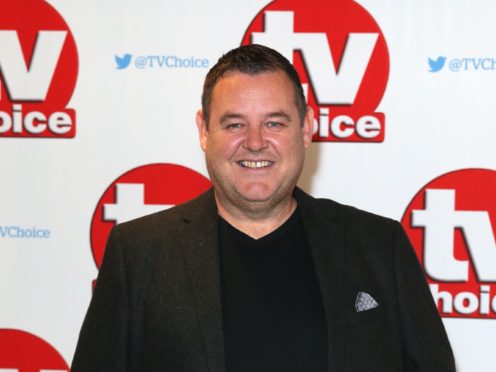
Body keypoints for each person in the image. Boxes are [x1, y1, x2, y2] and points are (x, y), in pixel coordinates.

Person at [71, 44, 455, 372]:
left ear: (306, 129)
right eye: (234, 124)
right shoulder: (137, 253)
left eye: (274, 122)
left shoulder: (378, 247)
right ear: (204, 131)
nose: (255, 143)